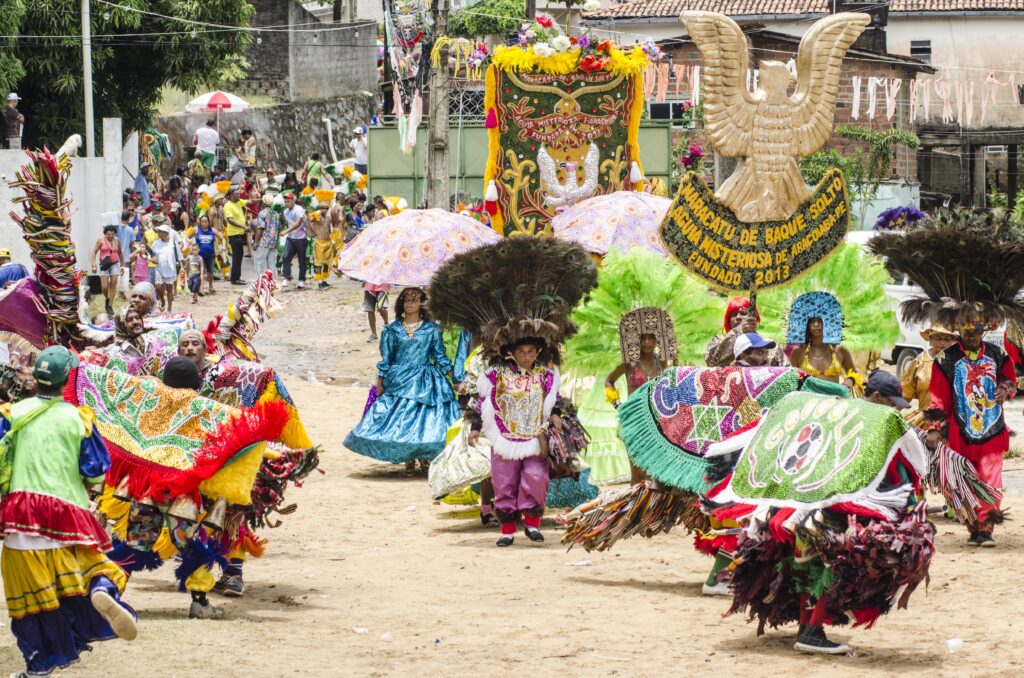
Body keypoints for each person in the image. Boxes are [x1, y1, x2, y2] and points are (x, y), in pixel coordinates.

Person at [0, 346, 138, 676]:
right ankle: (103, 590)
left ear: (35, 377)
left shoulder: (11, 414)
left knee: (32, 599)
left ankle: (40, 662)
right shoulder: (79, 418)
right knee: (94, 566)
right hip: (67, 515)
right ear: (66, 380)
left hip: (20, 517)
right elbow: (95, 469)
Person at [343, 288, 460, 470]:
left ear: (422, 304)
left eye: (414, 299)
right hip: (399, 380)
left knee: (425, 419)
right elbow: (386, 359)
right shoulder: (392, 330)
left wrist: (455, 377)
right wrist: (380, 381)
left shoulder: (431, 330)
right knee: (402, 419)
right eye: (406, 299)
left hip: (426, 381)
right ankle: (409, 459)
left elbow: (440, 356)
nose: (410, 303)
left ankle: (423, 456)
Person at [926, 320, 1016, 547]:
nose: (972, 335)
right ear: (959, 331)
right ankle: (973, 528)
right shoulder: (946, 359)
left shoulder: (998, 353)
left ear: (983, 330)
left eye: (976, 331)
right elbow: (938, 396)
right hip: (959, 432)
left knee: (989, 479)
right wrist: (935, 429)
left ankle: (986, 529)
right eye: (967, 331)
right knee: (962, 482)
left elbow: (1010, 380)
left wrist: (1004, 389)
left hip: (992, 430)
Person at [603, 308, 677, 483]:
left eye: (651, 337)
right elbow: (608, 381)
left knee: (657, 470)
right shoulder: (629, 364)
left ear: (657, 339)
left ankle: (655, 508)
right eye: (643, 338)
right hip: (633, 420)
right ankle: (635, 509)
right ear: (636, 340)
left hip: (657, 420)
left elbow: (671, 385)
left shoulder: (662, 363)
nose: (647, 342)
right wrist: (617, 403)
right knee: (637, 471)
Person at [787, 292, 860, 391]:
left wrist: (850, 380)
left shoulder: (840, 350)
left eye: (820, 320)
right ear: (806, 324)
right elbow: (790, 381)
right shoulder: (798, 351)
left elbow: (855, 374)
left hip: (834, 403)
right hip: (807, 404)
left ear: (830, 321)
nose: (816, 324)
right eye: (812, 321)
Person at [901, 324, 958, 426]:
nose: (942, 343)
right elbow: (906, 394)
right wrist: (891, 411)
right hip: (925, 422)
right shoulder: (920, 361)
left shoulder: (959, 363)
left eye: (947, 339)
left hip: (951, 423)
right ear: (930, 340)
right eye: (938, 338)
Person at [705, 296, 784, 367]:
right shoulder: (718, 340)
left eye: (743, 313)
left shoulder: (770, 345)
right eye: (734, 314)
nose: (738, 317)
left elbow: (786, 373)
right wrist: (738, 331)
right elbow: (711, 363)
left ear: (753, 318)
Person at [91, 224, 125, 315]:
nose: (110, 236)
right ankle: (107, 298)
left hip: (114, 264)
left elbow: (120, 253)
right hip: (104, 264)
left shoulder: (117, 240)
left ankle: (110, 306)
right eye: (108, 234)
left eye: (112, 234)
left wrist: (122, 265)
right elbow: (94, 252)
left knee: (113, 283)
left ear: (114, 234)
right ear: (105, 234)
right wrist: (94, 265)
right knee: (105, 287)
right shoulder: (100, 240)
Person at [150, 224, 181, 312]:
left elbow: (179, 256)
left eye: (160, 231)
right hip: (159, 268)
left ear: (166, 233)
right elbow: (151, 254)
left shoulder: (173, 243)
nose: (158, 233)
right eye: (158, 231)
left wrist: (183, 266)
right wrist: (152, 260)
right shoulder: (156, 243)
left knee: (169, 288)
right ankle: (163, 300)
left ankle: (169, 308)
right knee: (158, 286)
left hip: (170, 269)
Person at [280, 192, 308, 289]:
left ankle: (301, 280)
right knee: (285, 257)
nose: (287, 203)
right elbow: (289, 223)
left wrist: (286, 231)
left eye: (288, 201)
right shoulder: (285, 212)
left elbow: (297, 224)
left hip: (301, 238)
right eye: (285, 201)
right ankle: (287, 278)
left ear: (293, 201)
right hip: (291, 238)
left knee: (302, 260)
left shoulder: (299, 210)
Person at [309, 191, 336, 290]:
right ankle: (320, 283)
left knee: (327, 264)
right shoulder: (316, 216)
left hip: (328, 242)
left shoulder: (329, 218)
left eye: (326, 208)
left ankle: (324, 281)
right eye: (322, 208)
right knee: (319, 264)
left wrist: (332, 240)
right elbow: (310, 220)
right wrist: (314, 230)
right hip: (320, 243)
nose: (324, 210)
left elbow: (330, 229)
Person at [223, 186, 250, 285]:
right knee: (236, 256)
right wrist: (243, 227)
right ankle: (234, 279)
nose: (239, 195)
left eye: (239, 194)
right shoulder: (228, 205)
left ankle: (237, 277)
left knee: (239, 255)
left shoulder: (238, 202)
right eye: (237, 194)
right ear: (230, 195)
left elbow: (250, 202)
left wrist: (263, 199)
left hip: (239, 233)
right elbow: (230, 220)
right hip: (234, 234)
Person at [253, 194, 281, 279]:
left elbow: (260, 229)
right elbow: (279, 228)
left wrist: (256, 242)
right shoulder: (276, 214)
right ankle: (271, 280)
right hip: (273, 241)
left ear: (264, 203)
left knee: (259, 261)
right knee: (271, 261)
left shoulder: (262, 213)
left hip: (264, 241)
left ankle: (260, 279)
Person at [194, 214, 220, 295]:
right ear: (200, 223)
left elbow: (222, 238)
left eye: (205, 222)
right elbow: (187, 237)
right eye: (202, 222)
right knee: (202, 271)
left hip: (210, 255)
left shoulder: (212, 230)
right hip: (200, 256)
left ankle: (210, 286)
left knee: (210, 271)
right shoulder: (196, 230)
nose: (204, 223)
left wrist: (223, 246)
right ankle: (201, 288)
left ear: (208, 222)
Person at [186, 239, 205, 304]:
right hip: (190, 275)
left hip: (197, 275)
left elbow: (202, 267)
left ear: (198, 250)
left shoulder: (200, 258)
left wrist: (201, 274)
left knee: (196, 286)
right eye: (193, 250)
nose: (194, 251)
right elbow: (184, 261)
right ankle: (194, 294)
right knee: (190, 286)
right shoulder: (189, 257)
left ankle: (195, 299)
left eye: (196, 250)